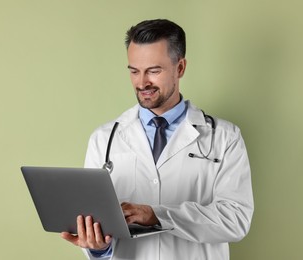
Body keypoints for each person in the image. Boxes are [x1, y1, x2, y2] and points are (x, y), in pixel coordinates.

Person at [61, 19, 254, 259]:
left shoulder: (225, 137)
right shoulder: (104, 138)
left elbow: (236, 220)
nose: (142, 83)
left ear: (180, 68)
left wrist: (157, 215)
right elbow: (95, 224)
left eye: (153, 71)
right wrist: (98, 247)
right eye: (134, 71)